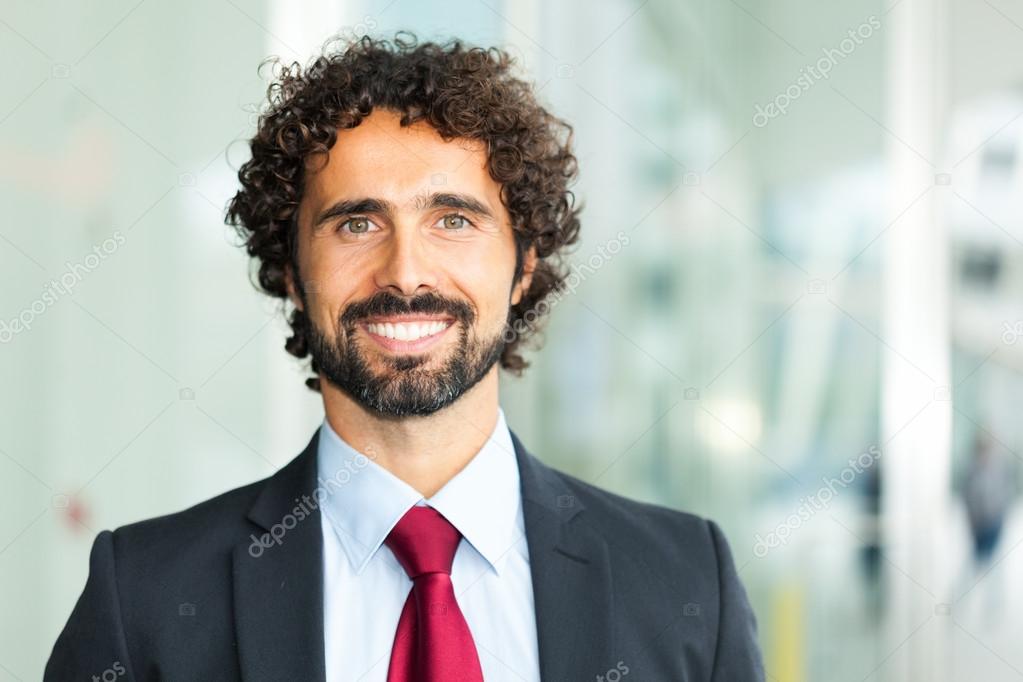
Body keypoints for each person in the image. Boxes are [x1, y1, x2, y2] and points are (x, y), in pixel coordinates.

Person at [45, 33, 764, 681]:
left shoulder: (685, 581)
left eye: (452, 219)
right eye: (357, 223)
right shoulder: (142, 596)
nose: (406, 271)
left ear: (522, 267)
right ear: (292, 271)